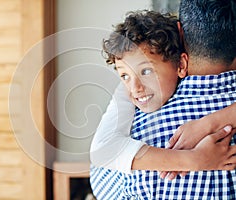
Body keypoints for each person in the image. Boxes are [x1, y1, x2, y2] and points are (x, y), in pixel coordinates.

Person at [90, 0, 236, 199]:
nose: (135, 87)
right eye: (124, 76)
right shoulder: (130, 93)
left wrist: (208, 126)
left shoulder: (139, 135)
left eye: (147, 70)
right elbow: (103, 151)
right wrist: (194, 158)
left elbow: (100, 182)